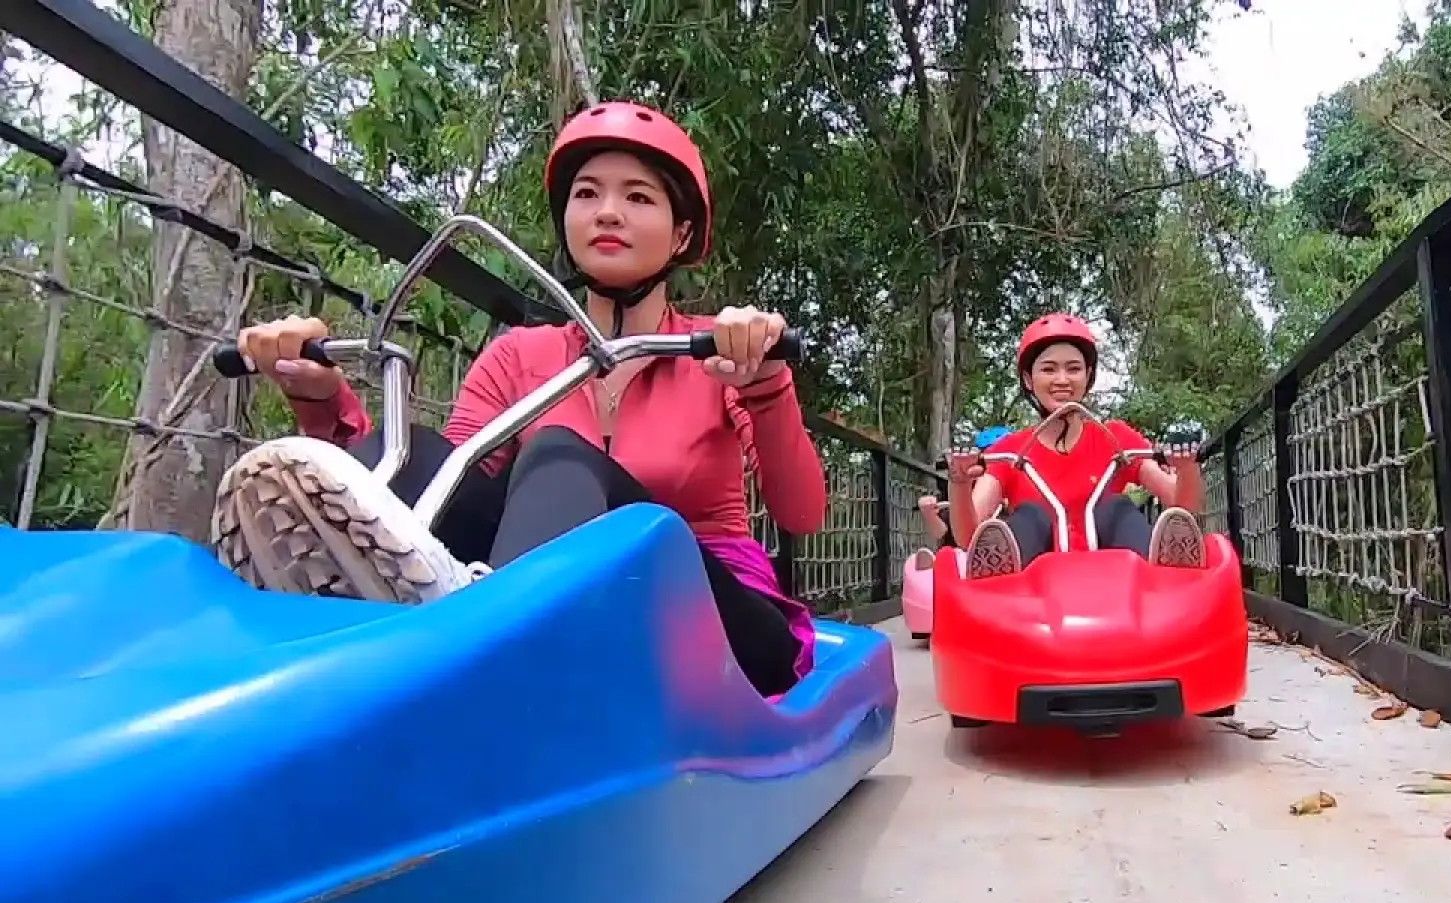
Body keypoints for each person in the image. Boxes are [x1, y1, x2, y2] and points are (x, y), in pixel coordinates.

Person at [212, 101, 825, 698]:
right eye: (587, 195)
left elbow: (802, 516)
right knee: (417, 454)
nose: (607, 213)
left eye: (638, 197)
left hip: (715, 626)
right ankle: (347, 618)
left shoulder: (716, 351)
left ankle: (491, 646)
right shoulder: (519, 356)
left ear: (682, 231)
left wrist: (764, 381)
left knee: (559, 455)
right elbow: (447, 495)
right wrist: (322, 399)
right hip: (555, 610)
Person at [946, 313, 1205, 579]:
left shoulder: (1115, 438)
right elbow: (969, 535)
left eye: (1073, 369)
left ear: (1088, 376)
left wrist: (1186, 468)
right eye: (1048, 369)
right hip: (1038, 585)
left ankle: (1164, 560)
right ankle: (998, 566)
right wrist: (960, 483)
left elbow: (1180, 505)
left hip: (1111, 577)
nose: (1062, 380)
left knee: (1116, 508)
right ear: (1028, 379)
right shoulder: (1010, 451)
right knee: (1031, 516)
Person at [915, 426, 1012, 549]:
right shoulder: (962, 490)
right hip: (961, 557)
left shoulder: (1017, 494)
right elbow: (942, 532)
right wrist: (929, 514)